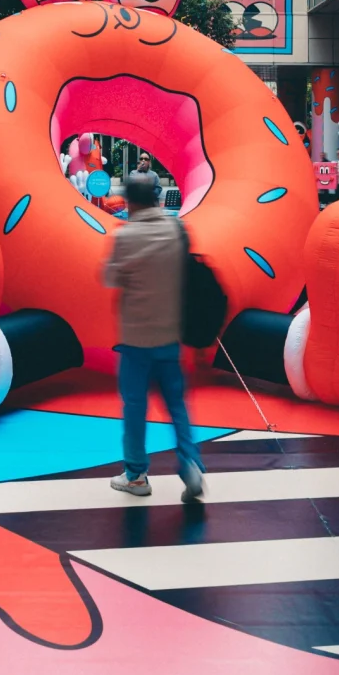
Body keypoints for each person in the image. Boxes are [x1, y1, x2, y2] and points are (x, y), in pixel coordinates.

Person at [102, 175, 205, 502]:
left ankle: (136, 476)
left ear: (129, 202)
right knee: (177, 404)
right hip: (169, 336)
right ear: (157, 198)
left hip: (135, 340)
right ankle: (191, 462)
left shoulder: (126, 236)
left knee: (134, 407)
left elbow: (108, 277)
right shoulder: (177, 230)